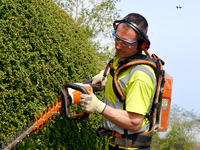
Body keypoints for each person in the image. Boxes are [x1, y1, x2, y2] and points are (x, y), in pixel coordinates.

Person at [80, 13, 156, 150]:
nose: (118, 46)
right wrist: (105, 78)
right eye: (117, 39)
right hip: (116, 144)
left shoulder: (140, 76)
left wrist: (99, 107)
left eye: (125, 43)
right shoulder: (124, 60)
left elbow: (134, 122)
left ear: (141, 45)